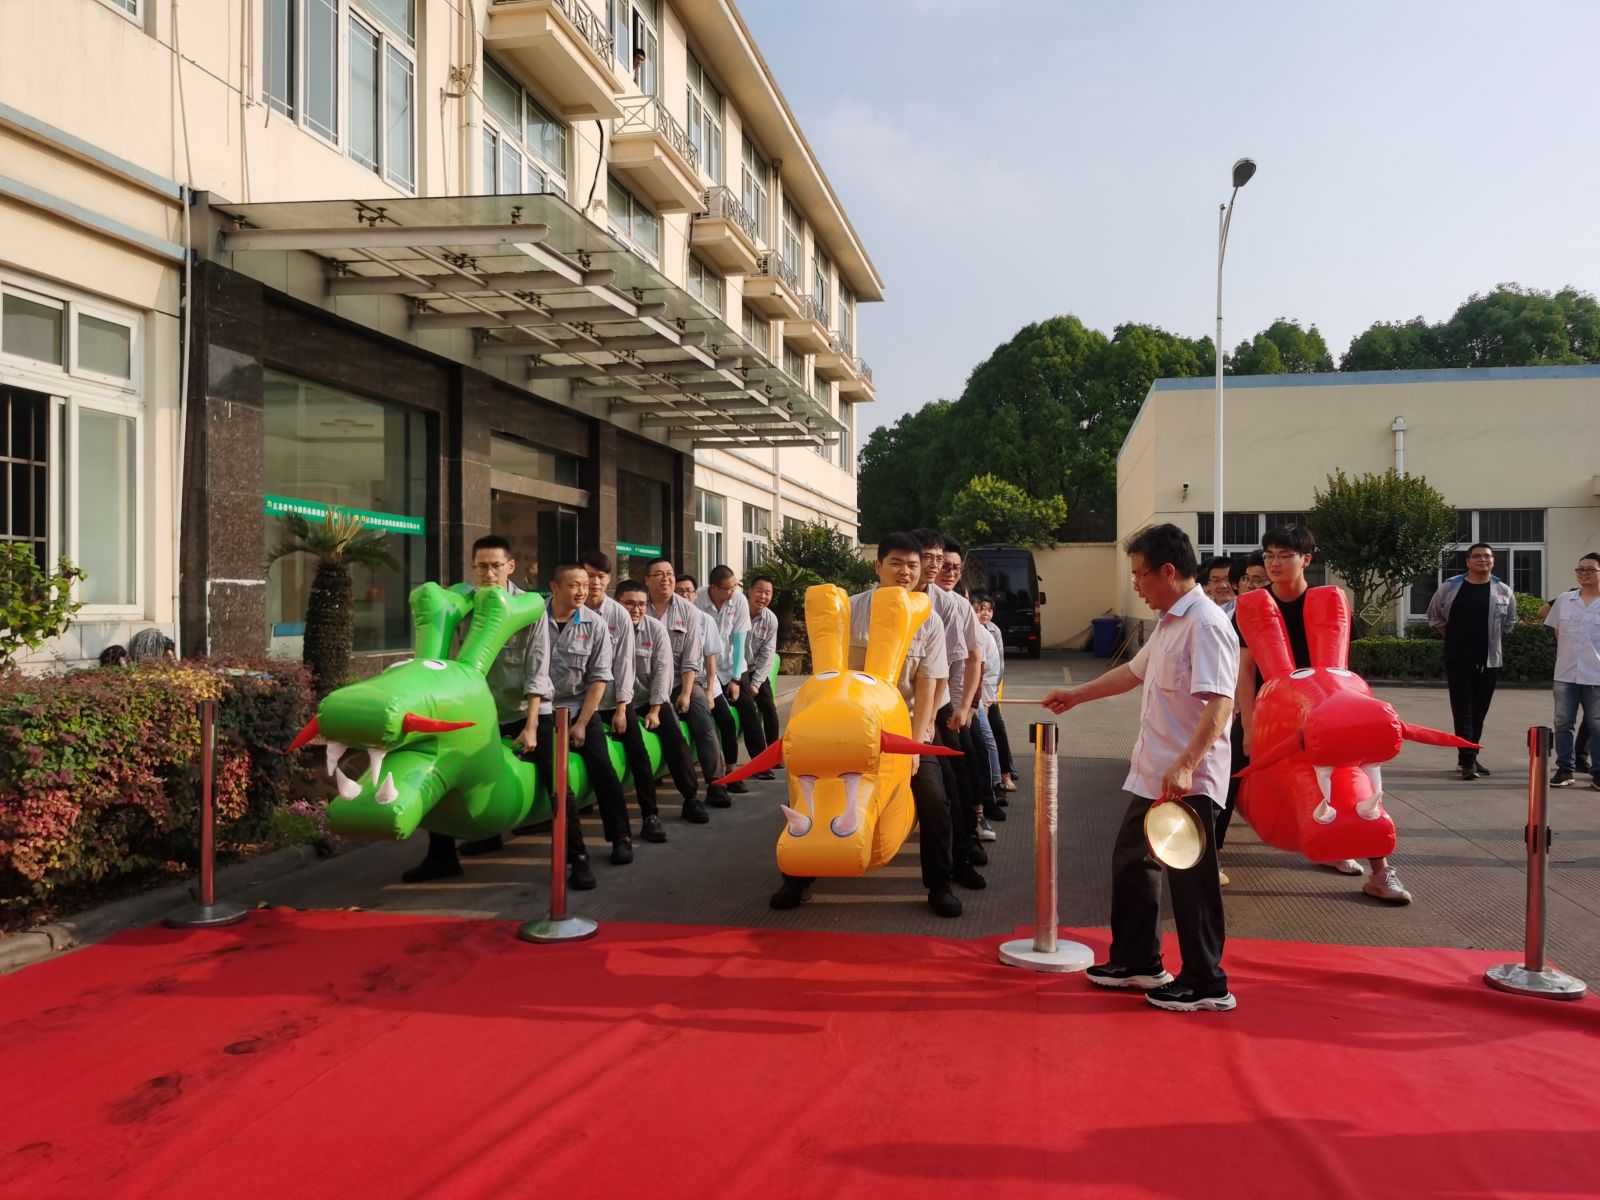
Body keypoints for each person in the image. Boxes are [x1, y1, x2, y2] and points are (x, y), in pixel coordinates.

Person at [1043, 522, 1238, 1012]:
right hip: (1155, 773)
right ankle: (1137, 961)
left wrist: (1187, 765)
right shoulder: (1171, 622)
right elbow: (1132, 673)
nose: (1136, 586)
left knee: (1190, 881)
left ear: (1167, 571)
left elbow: (1221, 703)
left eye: (1139, 575)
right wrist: (1076, 695)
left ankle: (1206, 982)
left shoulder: (1207, 624)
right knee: (1132, 862)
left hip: (1189, 781)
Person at [770, 532, 976, 917]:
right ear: (878, 565)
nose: (905, 572)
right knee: (806, 786)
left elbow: (929, 686)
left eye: (912, 566)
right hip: (848, 728)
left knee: (935, 796)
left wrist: (917, 744)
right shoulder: (849, 610)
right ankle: (796, 877)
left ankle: (939, 884)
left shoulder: (928, 621)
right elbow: (829, 675)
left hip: (902, 728)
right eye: (896, 563)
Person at [1236, 524, 1412, 903]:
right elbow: (1245, 671)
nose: (1275, 564)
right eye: (1269, 556)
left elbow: (1340, 669)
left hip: (1327, 715)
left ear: (1306, 560)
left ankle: (1380, 871)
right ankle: (1208, 858)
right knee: (1229, 774)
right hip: (1274, 715)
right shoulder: (1253, 607)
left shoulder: (1329, 602)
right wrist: (1248, 727)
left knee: (1356, 785)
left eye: (1284, 556)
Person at [403, 535, 537, 883]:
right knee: (443, 768)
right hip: (471, 711)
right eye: (482, 566)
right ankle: (441, 854)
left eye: (496, 566)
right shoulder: (462, 602)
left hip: (515, 711)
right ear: (472, 567)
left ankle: (575, 850)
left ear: (510, 566)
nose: (489, 573)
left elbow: (538, 669)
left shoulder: (529, 608)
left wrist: (533, 722)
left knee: (553, 777)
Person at [521, 562, 633, 889]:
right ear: (554, 587)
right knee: (554, 778)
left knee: (603, 767)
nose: (583, 591)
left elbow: (599, 678)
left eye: (585, 584)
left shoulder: (595, 624)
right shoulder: (532, 618)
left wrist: (582, 723)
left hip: (579, 707)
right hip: (539, 709)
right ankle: (574, 854)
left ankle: (620, 836)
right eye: (574, 585)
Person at [913, 530, 993, 866]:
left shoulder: (950, 605)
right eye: (930, 560)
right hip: (890, 703)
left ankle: (964, 843)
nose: (939, 568)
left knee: (957, 772)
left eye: (944, 562)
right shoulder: (867, 604)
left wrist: (965, 707)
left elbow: (964, 663)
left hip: (940, 701)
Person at [582, 551, 666, 840]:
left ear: (609, 579)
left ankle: (650, 814)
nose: (594, 582)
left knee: (638, 753)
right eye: (589, 575)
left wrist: (621, 708)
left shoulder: (618, 614)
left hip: (612, 700)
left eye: (600, 576)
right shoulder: (565, 608)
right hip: (579, 704)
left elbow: (625, 664)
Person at [1426, 544, 1518, 780]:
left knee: (1479, 712)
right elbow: (1434, 616)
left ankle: (1470, 756)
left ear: (1493, 561)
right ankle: (1467, 761)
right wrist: (1454, 637)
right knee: (1463, 711)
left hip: (1489, 659)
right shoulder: (1450, 587)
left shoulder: (1503, 590)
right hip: (1457, 658)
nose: (1482, 559)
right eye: (1476, 556)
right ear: (1467, 561)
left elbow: (1510, 622)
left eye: (1487, 556)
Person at [645, 558, 727, 816]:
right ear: (647, 580)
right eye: (658, 574)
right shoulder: (638, 608)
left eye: (669, 573)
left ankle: (716, 783)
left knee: (704, 723)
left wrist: (687, 693)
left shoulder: (688, 611)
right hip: (646, 685)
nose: (666, 578)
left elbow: (692, 658)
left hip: (682, 682)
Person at [613, 580, 685, 842]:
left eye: (641, 604)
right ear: (617, 603)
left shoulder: (655, 630)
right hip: (614, 701)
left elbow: (662, 672)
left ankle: (684, 800)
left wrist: (655, 710)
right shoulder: (606, 626)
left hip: (647, 698)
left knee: (675, 738)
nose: (636, 609)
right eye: (629, 603)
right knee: (635, 747)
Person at [678, 573, 746, 793]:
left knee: (725, 720)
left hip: (703, 680)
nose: (684, 595)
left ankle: (731, 772)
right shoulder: (663, 618)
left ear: (695, 594)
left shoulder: (704, 620)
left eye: (688, 591)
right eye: (680, 591)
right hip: (673, 683)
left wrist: (709, 690)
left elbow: (710, 660)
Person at [696, 565, 763, 772]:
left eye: (736, 586)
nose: (734, 591)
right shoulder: (698, 599)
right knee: (722, 717)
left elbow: (739, 641)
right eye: (729, 588)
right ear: (714, 588)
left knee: (748, 708)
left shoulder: (739, 600)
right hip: (706, 668)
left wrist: (735, 679)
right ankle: (725, 767)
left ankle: (760, 763)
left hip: (733, 664)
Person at [1544, 552, 1600, 789]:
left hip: (1596, 675)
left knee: (1597, 725)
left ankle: (1598, 772)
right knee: (1563, 723)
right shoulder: (1565, 600)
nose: (1583, 573)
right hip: (1566, 673)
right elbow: (1557, 630)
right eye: (1580, 569)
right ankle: (1565, 769)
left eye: (1590, 569)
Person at [1540, 589, 1591, 775]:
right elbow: (1543, 611)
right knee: (1565, 721)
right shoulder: (1569, 597)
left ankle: (1582, 758)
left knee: (1594, 719)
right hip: (1569, 669)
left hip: (1594, 671)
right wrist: (1562, 634)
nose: (1585, 575)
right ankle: (1568, 765)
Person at [971, 592, 1006, 840]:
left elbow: (988, 671)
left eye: (983, 609)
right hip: (955, 699)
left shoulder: (985, 635)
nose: (981, 613)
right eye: (977, 609)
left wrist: (980, 701)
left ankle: (993, 789)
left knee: (985, 742)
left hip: (976, 698)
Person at [745, 574, 781, 776]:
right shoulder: (736, 612)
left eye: (768, 593)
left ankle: (774, 754)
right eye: (759, 591)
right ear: (749, 591)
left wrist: (757, 682)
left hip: (755, 670)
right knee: (747, 708)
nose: (763, 596)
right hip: (735, 671)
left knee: (768, 706)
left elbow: (768, 654)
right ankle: (757, 760)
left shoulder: (770, 619)